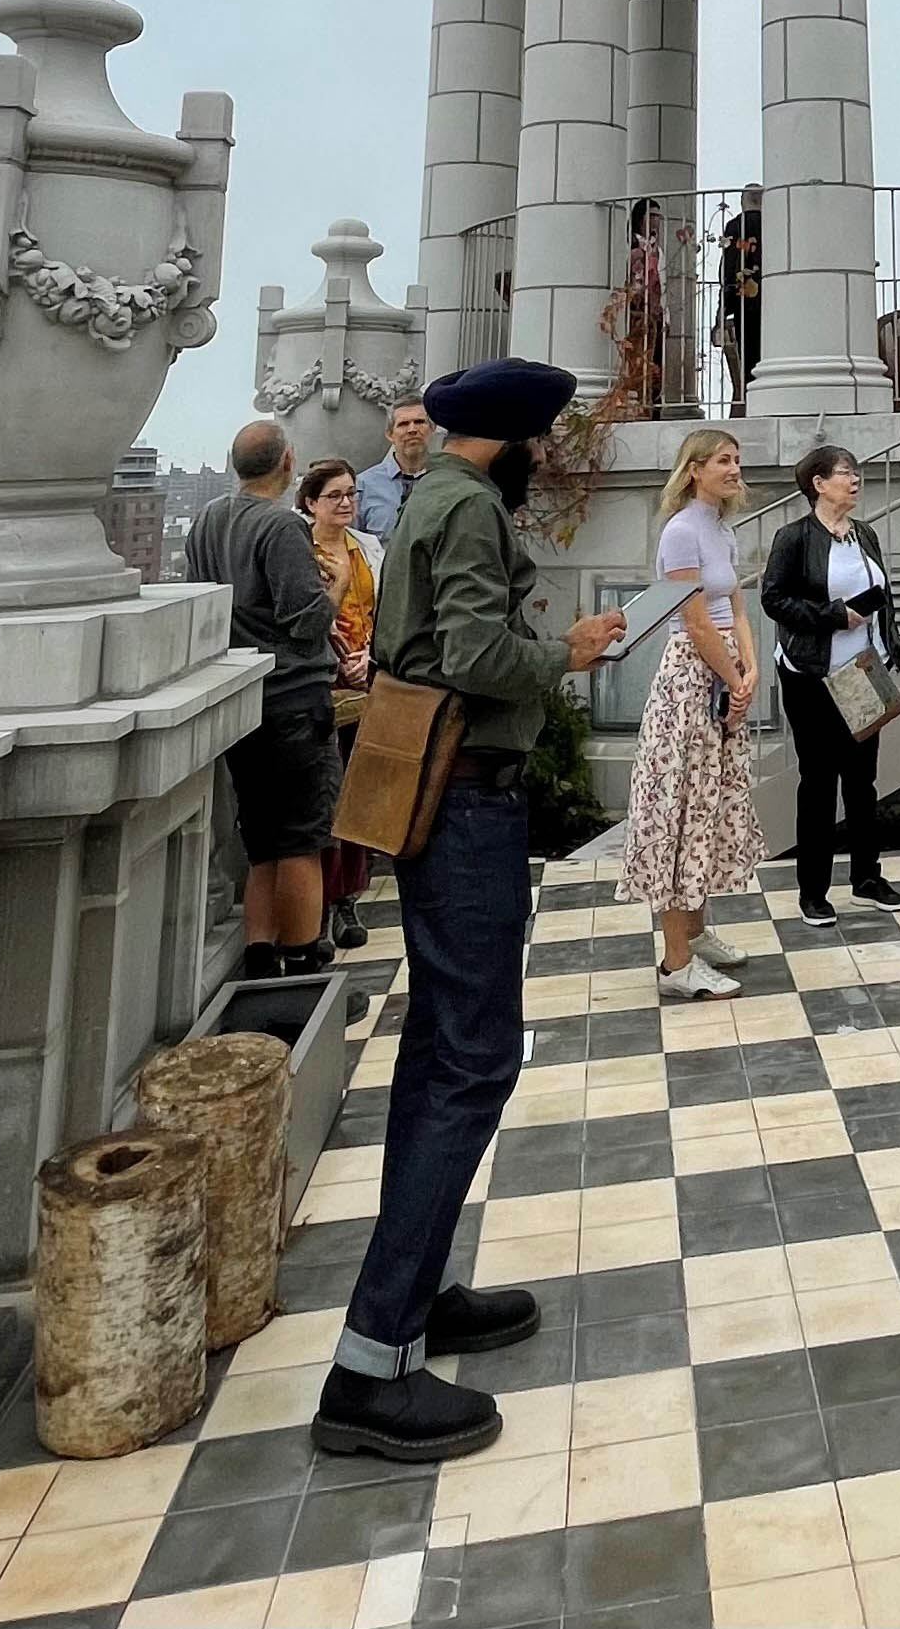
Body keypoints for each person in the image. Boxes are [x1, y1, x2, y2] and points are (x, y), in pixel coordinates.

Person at [313, 358, 628, 1466]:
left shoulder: (435, 501)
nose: (550, 453)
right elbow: (468, 654)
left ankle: (429, 1289)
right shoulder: (467, 513)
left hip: (442, 798)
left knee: (441, 1047)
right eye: (544, 436)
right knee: (473, 1056)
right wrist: (570, 653)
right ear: (515, 436)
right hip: (466, 804)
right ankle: (370, 1360)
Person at [185, 419, 339, 975]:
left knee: (263, 840)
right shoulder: (280, 526)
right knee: (301, 836)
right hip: (294, 699)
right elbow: (305, 619)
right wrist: (335, 590)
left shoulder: (206, 521)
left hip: (245, 698)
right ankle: (302, 961)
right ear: (287, 461)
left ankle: (259, 952)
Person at [618, 424, 763, 997]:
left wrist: (749, 672)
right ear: (694, 469)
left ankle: (698, 936)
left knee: (711, 804)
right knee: (682, 805)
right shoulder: (681, 531)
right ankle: (676, 963)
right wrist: (732, 679)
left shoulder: (721, 530)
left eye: (736, 459)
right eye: (721, 460)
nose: (732, 469)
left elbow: (736, 606)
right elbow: (695, 618)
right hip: (691, 678)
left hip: (725, 672)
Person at [760, 442, 900, 927]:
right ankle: (813, 891)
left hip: (864, 672)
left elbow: (881, 596)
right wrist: (832, 616)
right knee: (819, 781)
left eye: (856, 472)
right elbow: (774, 599)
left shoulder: (864, 534)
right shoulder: (794, 537)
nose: (855, 480)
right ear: (818, 484)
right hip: (812, 674)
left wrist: (891, 643)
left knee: (862, 780)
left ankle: (867, 877)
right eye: (845, 473)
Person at [300, 458, 383, 951]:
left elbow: (382, 606)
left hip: (364, 676)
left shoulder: (367, 548)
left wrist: (369, 656)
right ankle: (320, 900)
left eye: (352, 494)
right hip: (322, 680)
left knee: (358, 788)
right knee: (323, 795)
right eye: (335, 495)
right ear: (311, 502)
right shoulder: (300, 549)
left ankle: (349, 895)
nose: (347, 503)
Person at [356, 397, 435, 545]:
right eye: (403, 424)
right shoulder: (363, 485)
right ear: (390, 434)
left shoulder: (444, 481)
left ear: (432, 429)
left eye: (419, 422)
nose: (412, 430)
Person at [715, 184, 763, 413]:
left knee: (748, 359)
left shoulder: (734, 226)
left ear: (743, 201)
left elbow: (729, 265)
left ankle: (750, 403)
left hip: (743, 300)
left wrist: (723, 307)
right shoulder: (774, 224)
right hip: (774, 301)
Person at [617, 196, 668, 415]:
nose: (656, 222)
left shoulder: (659, 251)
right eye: (652, 216)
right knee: (637, 361)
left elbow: (663, 283)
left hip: (655, 314)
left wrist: (665, 315)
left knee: (656, 362)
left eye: (658, 217)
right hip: (636, 312)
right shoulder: (630, 248)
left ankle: (653, 406)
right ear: (640, 218)